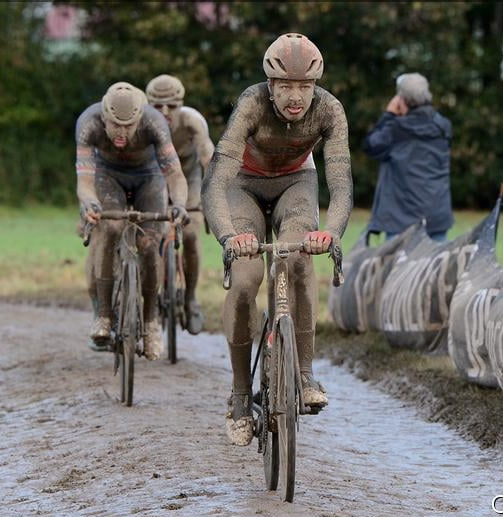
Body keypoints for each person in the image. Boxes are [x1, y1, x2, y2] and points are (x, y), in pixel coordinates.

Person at [202, 33, 353, 446]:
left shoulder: (329, 110)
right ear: (270, 86)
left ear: (316, 86)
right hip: (242, 186)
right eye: (286, 86)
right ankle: (238, 396)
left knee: (298, 258)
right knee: (248, 279)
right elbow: (217, 183)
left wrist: (332, 233)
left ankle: (304, 375)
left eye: (305, 87)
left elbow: (340, 186)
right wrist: (231, 237)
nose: (295, 96)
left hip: (296, 183)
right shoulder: (251, 103)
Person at [76, 81, 189, 361]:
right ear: (104, 117)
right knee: (110, 228)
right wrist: (90, 203)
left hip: (148, 177)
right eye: (116, 125)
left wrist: (180, 205)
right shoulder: (88, 124)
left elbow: (175, 176)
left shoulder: (154, 123)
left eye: (129, 126)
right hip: (107, 176)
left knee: (150, 244)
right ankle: (103, 315)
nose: (122, 133)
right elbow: (85, 180)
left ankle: (151, 322)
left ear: (140, 118)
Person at [146, 74, 215, 335]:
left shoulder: (192, 121)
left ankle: (191, 298)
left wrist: (216, 195)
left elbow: (208, 158)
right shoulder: (142, 122)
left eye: (172, 106)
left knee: (190, 235)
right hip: (154, 176)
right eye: (157, 106)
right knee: (151, 233)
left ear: (181, 104)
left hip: (189, 176)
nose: (165, 112)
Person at [363, 73, 453, 242]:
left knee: (399, 269)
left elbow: (371, 145)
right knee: (436, 269)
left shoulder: (395, 129)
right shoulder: (443, 127)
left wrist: (389, 114)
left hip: (400, 221)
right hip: (437, 218)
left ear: (401, 101)